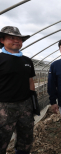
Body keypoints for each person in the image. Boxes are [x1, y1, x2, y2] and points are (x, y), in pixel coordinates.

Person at [0, 26, 36, 154]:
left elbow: (30, 81)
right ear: (2, 40)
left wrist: (33, 103)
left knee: (25, 140)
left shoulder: (27, 61)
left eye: (19, 38)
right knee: (1, 140)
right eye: (11, 38)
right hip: (4, 107)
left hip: (25, 106)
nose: (16, 40)